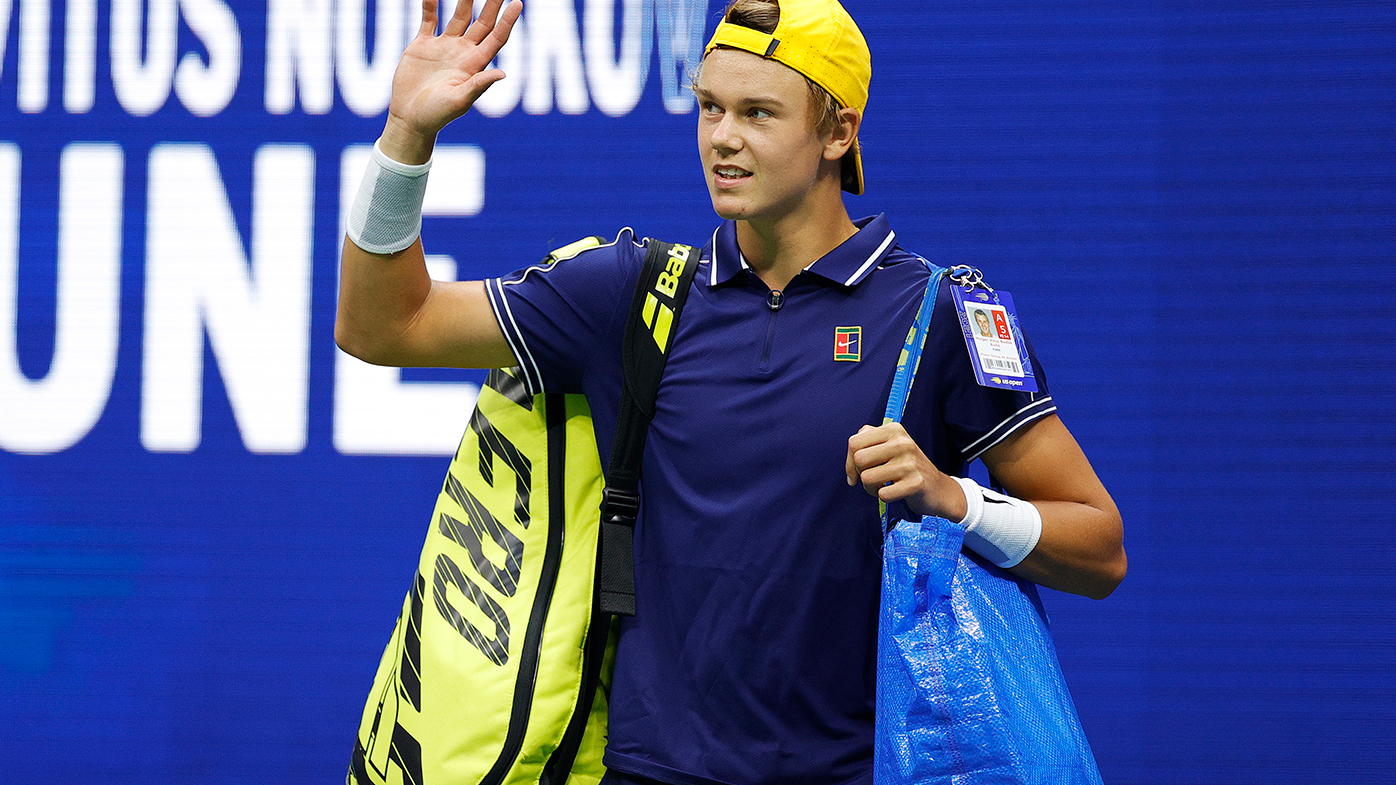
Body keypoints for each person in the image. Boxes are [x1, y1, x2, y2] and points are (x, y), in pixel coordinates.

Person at [336, 0, 1126, 783]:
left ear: (838, 133)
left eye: (758, 112)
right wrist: (407, 137)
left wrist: (957, 499)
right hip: (649, 773)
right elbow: (383, 325)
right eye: (710, 107)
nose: (723, 137)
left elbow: (1099, 546)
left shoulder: (940, 314)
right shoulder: (633, 293)